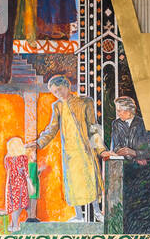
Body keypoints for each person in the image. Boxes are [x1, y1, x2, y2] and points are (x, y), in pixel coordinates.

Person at [31, 74, 105, 208]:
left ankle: (97, 212)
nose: (58, 93)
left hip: (85, 149)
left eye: (60, 89)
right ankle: (78, 215)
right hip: (70, 152)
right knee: (73, 182)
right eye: (55, 92)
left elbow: (93, 126)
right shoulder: (57, 106)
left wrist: (100, 149)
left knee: (90, 179)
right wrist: (38, 143)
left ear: (67, 86)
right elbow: (52, 128)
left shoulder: (85, 102)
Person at [104, 96, 150, 234]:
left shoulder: (144, 124)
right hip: (124, 170)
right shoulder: (116, 124)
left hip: (143, 173)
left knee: (142, 208)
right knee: (126, 208)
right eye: (117, 111)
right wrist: (127, 154)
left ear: (130, 110)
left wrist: (136, 153)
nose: (118, 114)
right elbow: (116, 146)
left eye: (120, 111)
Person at [2, 138, 32, 231]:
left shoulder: (7, 158)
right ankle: (15, 225)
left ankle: (12, 224)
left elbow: (7, 168)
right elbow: (26, 173)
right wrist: (30, 184)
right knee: (19, 204)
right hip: (20, 183)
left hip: (11, 183)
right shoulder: (23, 158)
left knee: (15, 204)